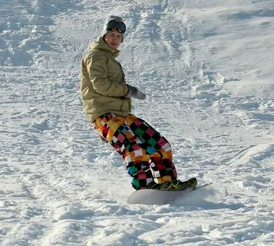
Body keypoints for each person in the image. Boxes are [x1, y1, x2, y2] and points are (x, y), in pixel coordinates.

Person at [80, 15, 197, 191]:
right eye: (111, 34)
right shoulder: (96, 56)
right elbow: (101, 85)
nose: (115, 39)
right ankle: (145, 186)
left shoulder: (111, 59)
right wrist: (129, 90)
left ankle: (166, 182)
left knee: (159, 144)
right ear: (104, 35)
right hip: (104, 114)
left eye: (119, 37)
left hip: (122, 115)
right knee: (133, 147)